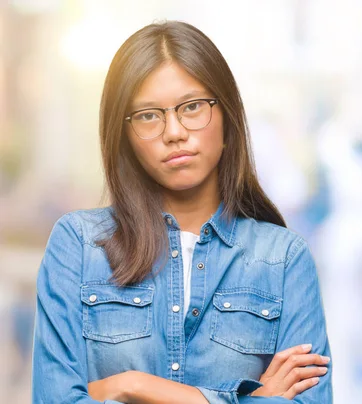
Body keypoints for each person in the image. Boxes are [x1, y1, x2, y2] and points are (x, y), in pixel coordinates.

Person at [31, 21, 332, 404]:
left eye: (192, 107)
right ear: (124, 136)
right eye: (148, 115)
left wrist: (133, 385)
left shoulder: (284, 259)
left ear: (227, 117)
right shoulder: (79, 244)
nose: (174, 131)